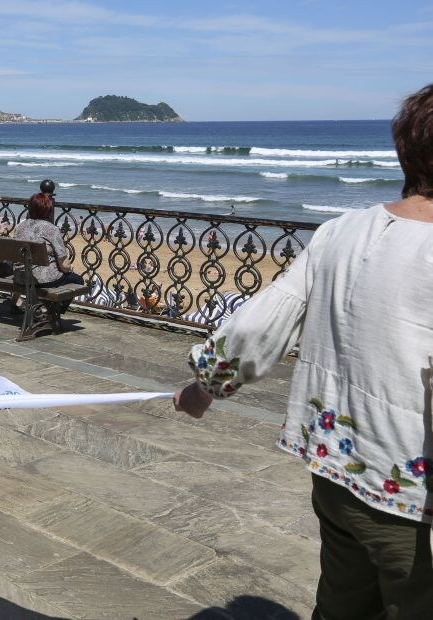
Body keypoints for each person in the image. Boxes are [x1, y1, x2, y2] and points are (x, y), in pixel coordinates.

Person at [174, 83, 433, 620]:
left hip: (337, 472)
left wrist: (206, 389)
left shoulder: (341, 232)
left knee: (342, 601)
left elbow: (257, 328)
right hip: (414, 503)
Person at [15, 192, 84, 289]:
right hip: (42, 280)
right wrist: (69, 268)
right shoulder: (51, 229)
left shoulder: (19, 227)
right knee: (78, 280)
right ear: (48, 210)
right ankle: (53, 304)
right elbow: (64, 265)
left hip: (20, 277)